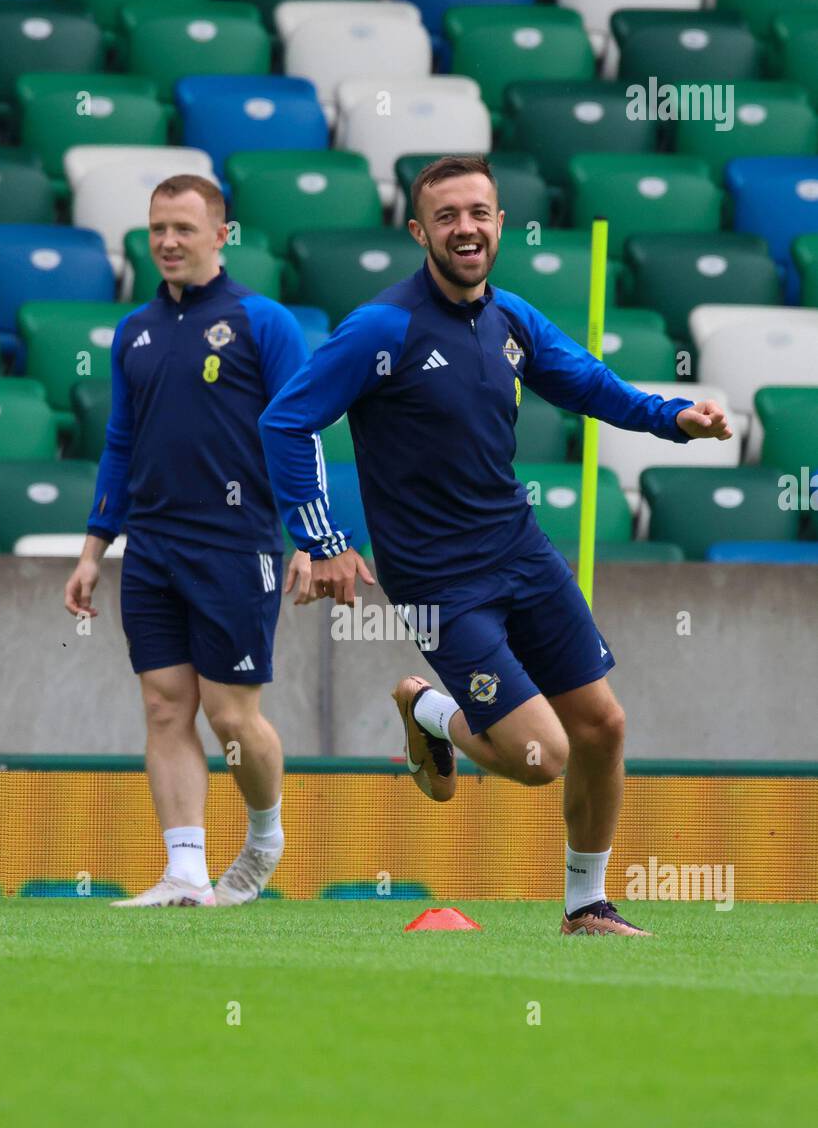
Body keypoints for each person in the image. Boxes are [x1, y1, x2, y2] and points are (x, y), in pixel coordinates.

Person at [258, 155, 732, 937]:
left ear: (501, 223)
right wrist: (322, 538)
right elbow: (286, 419)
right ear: (420, 231)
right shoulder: (382, 328)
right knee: (542, 758)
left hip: (520, 549)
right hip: (438, 579)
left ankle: (587, 907)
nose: (466, 228)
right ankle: (430, 711)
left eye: (479, 212)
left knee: (604, 728)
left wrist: (671, 416)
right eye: (447, 216)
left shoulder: (510, 318)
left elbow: (589, 384)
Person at [64, 174, 320, 908]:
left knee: (230, 714)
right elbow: (120, 442)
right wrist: (93, 548)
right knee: (164, 707)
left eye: (182, 227)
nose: (168, 242)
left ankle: (265, 835)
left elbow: (298, 430)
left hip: (236, 544)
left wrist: (308, 534)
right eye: (157, 230)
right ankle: (184, 873)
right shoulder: (134, 330)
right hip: (150, 547)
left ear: (221, 234)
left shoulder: (263, 322)